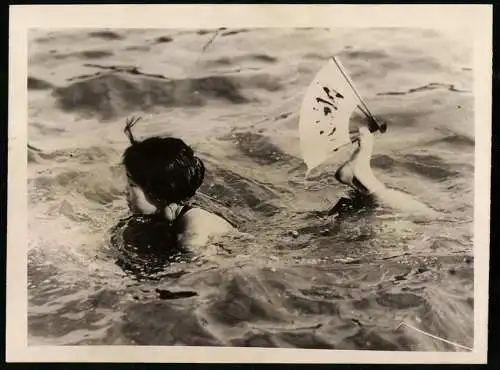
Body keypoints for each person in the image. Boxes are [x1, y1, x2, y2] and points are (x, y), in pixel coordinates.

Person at [121, 116, 235, 249]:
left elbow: (201, 265)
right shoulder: (164, 217)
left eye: (132, 185)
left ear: (157, 193)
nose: (125, 191)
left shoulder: (196, 227)